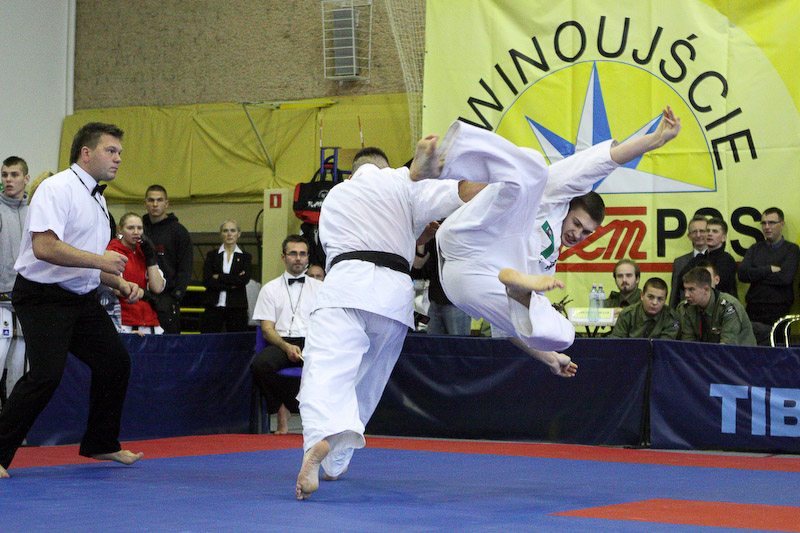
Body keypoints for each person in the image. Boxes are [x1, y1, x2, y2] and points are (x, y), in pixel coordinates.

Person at [295, 146, 486, 500]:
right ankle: (336, 462)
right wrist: (504, 173)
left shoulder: (337, 195)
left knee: (325, 373)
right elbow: (460, 192)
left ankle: (319, 441)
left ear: (353, 173)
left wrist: (412, 233)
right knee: (367, 381)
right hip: (393, 298)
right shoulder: (403, 182)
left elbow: (355, 238)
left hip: (345, 286)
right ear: (388, 167)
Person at [428, 107, 681, 358]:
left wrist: (551, 358)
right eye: (577, 224)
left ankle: (516, 286)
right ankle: (450, 157)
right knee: (534, 165)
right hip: (471, 237)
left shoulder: (547, 264)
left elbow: (514, 325)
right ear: (568, 207)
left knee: (565, 335)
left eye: (586, 233)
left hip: (467, 283)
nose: (577, 234)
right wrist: (654, 140)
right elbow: (600, 164)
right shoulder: (553, 196)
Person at [0, 122, 143, 478]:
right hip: (42, 296)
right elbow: (45, 247)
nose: (118, 158)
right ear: (86, 153)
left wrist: (118, 282)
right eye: (111, 151)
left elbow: (88, 259)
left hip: (80, 297)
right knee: (46, 376)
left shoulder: (97, 198)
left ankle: (101, 443)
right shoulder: (56, 188)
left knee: (115, 362)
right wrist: (102, 263)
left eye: (120, 152)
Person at [251, 235, 322, 434]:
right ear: (283, 257)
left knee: (331, 365)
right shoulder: (270, 289)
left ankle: (323, 422)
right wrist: (286, 346)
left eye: (302, 254)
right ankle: (281, 409)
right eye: (293, 254)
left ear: (308, 257)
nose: (298, 258)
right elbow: (267, 329)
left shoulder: (321, 289)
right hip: (281, 342)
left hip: (313, 342)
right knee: (259, 365)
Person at [737, 207, 800, 345]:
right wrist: (769, 269)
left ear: (782, 224)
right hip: (753, 311)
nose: (767, 227)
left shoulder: (791, 249)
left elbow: (785, 278)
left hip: (779, 312)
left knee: (777, 352)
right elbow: (742, 274)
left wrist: (756, 274)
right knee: (750, 351)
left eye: (771, 222)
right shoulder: (755, 249)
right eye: (764, 223)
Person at [142, 185, 192, 333]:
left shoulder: (179, 232)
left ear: (166, 203)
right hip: (141, 295)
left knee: (169, 341)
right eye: (151, 200)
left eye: (159, 200)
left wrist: (176, 296)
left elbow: (185, 267)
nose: (155, 204)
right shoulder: (139, 229)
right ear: (145, 203)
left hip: (167, 298)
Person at [0, 157, 30, 405]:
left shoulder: (35, 212)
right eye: (4, 175)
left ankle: (12, 423)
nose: (8, 180)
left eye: (14, 175)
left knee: (19, 370)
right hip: (0, 301)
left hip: (27, 303)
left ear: (26, 178)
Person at [106, 213, 166, 335]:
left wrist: (150, 259)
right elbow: (113, 286)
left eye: (139, 228)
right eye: (130, 228)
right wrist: (142, 293)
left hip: (149, 320)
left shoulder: (144, 251)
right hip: (122, 320)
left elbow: (157, 287)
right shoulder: (112, 251)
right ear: (120, 229)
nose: (136, 232)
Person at [412, 221, 472, 335]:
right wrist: (422, 239)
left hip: (456, 300)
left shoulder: (460, 232)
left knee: (459, 342)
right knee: (433, 342)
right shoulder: (433, 236)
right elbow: (418, 265)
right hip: (435, 300)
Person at [677, 266, 756, 346]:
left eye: (691, 290)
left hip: (737, 352)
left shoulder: (728, 307)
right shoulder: (686, 308)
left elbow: (727, 346)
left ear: (706, 289)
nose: (686, 295)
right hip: (704, 352)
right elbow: (688, 343)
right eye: (685, 289)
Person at [201, 219, 252, 333]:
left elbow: (244, 280)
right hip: (213, 307)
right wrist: (233, 284)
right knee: (210, 339)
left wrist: (219, 277)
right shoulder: (212, 256)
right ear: (221, 234)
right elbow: (207, 280)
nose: (229, 234)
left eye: (233, 230)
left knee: (236, 341)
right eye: (225, 231)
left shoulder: (245, 257)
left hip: (237, 307)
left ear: (239, 233)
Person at [609, 277, 679, 339]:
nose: (655, 303)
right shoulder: (627, 315)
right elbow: (617, 343)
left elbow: (665, 345)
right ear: (642, 296)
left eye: (660, 299)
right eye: (650, 297)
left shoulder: (671, 317)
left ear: (665, 300)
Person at [669, 214, 708, 308]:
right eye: (694, 232)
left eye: (702, 231)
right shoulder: (679, 263)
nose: (698, 235)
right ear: (689, 236)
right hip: (686, 313)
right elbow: (675, 295)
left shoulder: (719, 259)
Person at [704, 217, 738, 297]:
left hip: (723, 302)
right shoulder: (700, 258)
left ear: (723, 238)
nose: (710, 234)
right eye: (708, 230)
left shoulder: (727, 260)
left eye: (715, 231)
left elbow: (717, 285)